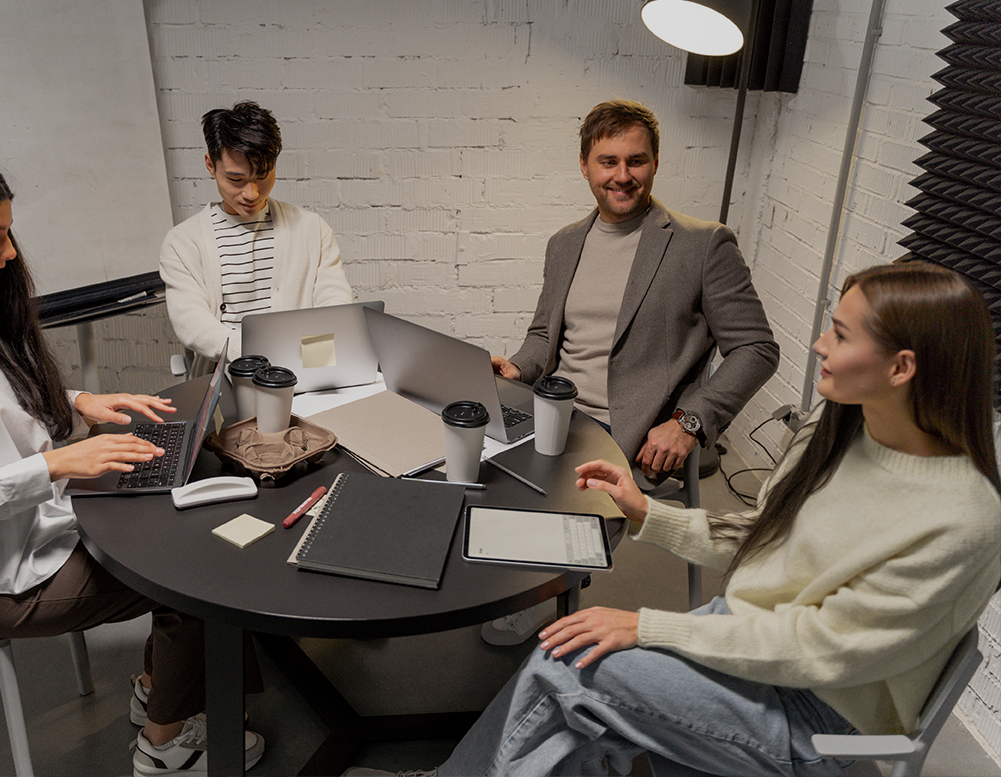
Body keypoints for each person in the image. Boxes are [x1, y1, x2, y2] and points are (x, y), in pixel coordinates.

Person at [350, 261, 1001, 776]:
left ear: (902, 367)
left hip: (813, 717)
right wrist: (646, 512)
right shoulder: (840, 430)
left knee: (569, 664)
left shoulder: (962, 518)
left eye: (841, 333)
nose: (818, 343)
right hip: (746, 643)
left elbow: (819, 650)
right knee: (573, 699)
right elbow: (763, 537)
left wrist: (650, 627)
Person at [0, 149, 265, 776]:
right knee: (194, 572)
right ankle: (164, 744)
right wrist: (61, 464)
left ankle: (160, 684)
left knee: (177, 512)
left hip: (20, 534)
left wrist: (79, 402)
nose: (10, 254)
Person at [483, 98, 780, 646]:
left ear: (656, 163)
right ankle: (522, 580)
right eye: (608, 161)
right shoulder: (565, 243)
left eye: (636, 161)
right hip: (553, 411)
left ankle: (543, 591)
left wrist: (690, 422)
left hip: (633, 431)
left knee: (565, 500)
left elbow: (757, 349)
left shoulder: (702, 244)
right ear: (584, 165)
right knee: (470, 470)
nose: (622, 176)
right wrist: (516, 366)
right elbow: (546, 337)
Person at [160, 100, 354, 375]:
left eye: (262, 176)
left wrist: (309, 359)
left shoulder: (312, 228)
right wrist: (269, 352)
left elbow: (335, 305)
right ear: (210, 166)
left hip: (307, 368)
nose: (251, 193)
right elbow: (193, 325)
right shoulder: (182, 243)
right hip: (228, 374)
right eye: (236, 179)